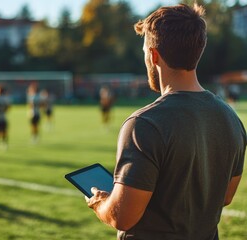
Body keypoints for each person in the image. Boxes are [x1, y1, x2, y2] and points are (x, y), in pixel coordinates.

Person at [85, 4, 246, 240]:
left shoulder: (144, 124)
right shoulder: (231, 118)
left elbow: (123, 217)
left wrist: (100, 202)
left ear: (153, 55)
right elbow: (225, 196)